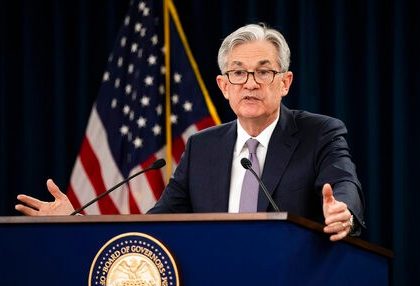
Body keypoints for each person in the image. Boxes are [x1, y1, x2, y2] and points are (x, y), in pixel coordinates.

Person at [15, 23, 365, 241]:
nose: (250, 84)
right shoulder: (203, 146)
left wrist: (343, 212)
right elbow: (156, 224)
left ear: (285, 82)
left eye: (264, 72)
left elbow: (344, 183)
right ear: (223, 85)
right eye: (238, 73)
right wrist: (75, 224)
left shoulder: (319, 133)